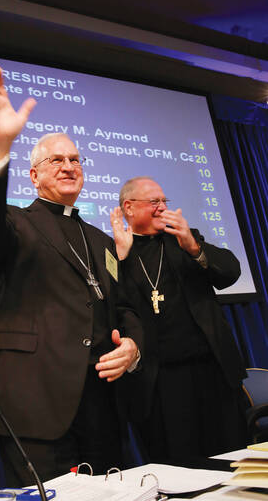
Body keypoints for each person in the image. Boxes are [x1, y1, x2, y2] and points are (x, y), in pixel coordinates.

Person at [0, 58, 143, 487]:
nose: (68, 165)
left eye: (75, 159)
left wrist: (134, 345)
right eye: (56, 160)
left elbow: (125, 305)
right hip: (35, 402)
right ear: (34, 175)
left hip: (102, 406)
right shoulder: (15, 223)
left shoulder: (99, 239)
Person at [110, 176, 247, 468]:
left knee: (232, 461)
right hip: (160, 385)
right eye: (153, 202)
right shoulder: (115, 253)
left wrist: (194, 247)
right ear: (129, 208)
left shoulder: (184, 239)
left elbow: (230, 273)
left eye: (164, 201)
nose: (162, 207)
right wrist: (120, 260)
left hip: (212, 372)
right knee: (180, 470)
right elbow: (112, 307)